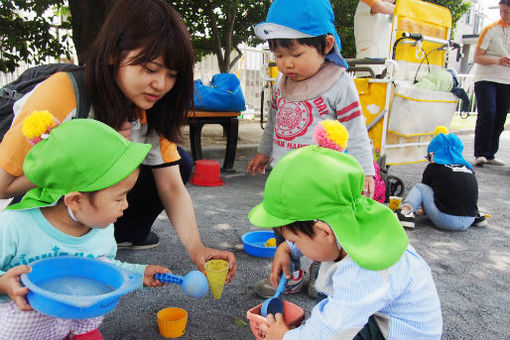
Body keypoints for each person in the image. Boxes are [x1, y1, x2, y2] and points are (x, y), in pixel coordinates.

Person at [0, 0, 236, 280]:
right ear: (114, 54)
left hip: (87, 208)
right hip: (29, 208)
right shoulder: (64, 92)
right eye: (150, 69)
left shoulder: (147, 109)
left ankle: (115, 236)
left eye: (171, 75)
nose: (161, 84)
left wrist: (196, 248)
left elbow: (171, 186)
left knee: (180, 162)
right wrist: (81, 153)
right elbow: (4, 187)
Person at [0, 112, 174, 340]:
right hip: (19, 326)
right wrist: (3, 285)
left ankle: (81, 333)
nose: (126, 205)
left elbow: (103, 267)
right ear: (75, 200)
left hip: (67, 322)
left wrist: (139, 274)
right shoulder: (15, 227)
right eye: (119, 198)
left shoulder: (100, 227)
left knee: (93, 289)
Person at [247, 0, 376, 298]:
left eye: (296, 53)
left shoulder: (339, 82)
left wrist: (366, 171)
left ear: (326, 44)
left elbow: (355, 129)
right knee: (284, 229)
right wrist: (264, 152)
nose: (287, 63)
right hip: (285, 178)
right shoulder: (282, 82)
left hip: (321, 183)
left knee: (321, 230)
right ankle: (291, 274)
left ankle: (326, 274)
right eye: (279, 54)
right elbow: (275, 120)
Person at [248, 146, 443, 340]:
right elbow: (319, 238)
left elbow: (332, 330)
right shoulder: (351, 219)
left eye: (294, 240)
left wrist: (285, 337)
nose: (293, 244)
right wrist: (288, 248)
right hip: (385, 315)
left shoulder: (362, 271)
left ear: (324, 231)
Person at [396, 130, 486, 231]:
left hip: (445, 220)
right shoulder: (468, 168)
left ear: (434, 153)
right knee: (462, 188)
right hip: (469, 218)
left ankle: (406, 212)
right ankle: (478, 215)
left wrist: (425, 210)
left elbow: (425, 191)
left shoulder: (434, 167)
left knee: (420, 188)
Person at [472, 0, 510, 167]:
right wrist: (497, 60)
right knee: (488, 112)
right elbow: (477, 57)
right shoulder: (491, 29)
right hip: (486, 77)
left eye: (506, 12)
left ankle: (490, 153)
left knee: (500, 117)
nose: (503, 15)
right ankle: (480, 153)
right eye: (501, 11)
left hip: (507, 80)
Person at [354, 0, 395, 75]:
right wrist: (409, 10)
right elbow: (379, 6)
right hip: (369, 70)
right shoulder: (367, 2)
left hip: (385, 69)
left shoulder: (389, 12)